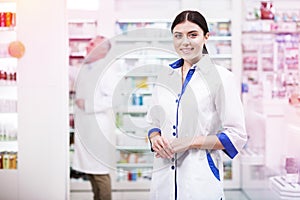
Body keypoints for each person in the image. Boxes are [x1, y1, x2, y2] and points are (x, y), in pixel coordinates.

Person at [146, 10, 247, 200]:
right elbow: (153, 120)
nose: (185, 42)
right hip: (163, 176)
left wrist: (190, 141)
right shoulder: (164, 76)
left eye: (193, 35)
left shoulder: (221, 78)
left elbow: (237, 136)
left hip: (199, 179)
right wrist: (154, 137)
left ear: (206, 37)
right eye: (178, 36)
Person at [72, 35, 115, 200]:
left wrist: (88, 104)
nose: (87, 46)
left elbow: (111, 99)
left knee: (99, 173)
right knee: (91, 173)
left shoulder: (107, 70)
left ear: (102, 50)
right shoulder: (88, 67)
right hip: (87, 127)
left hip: (97, 129)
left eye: (92, 44)